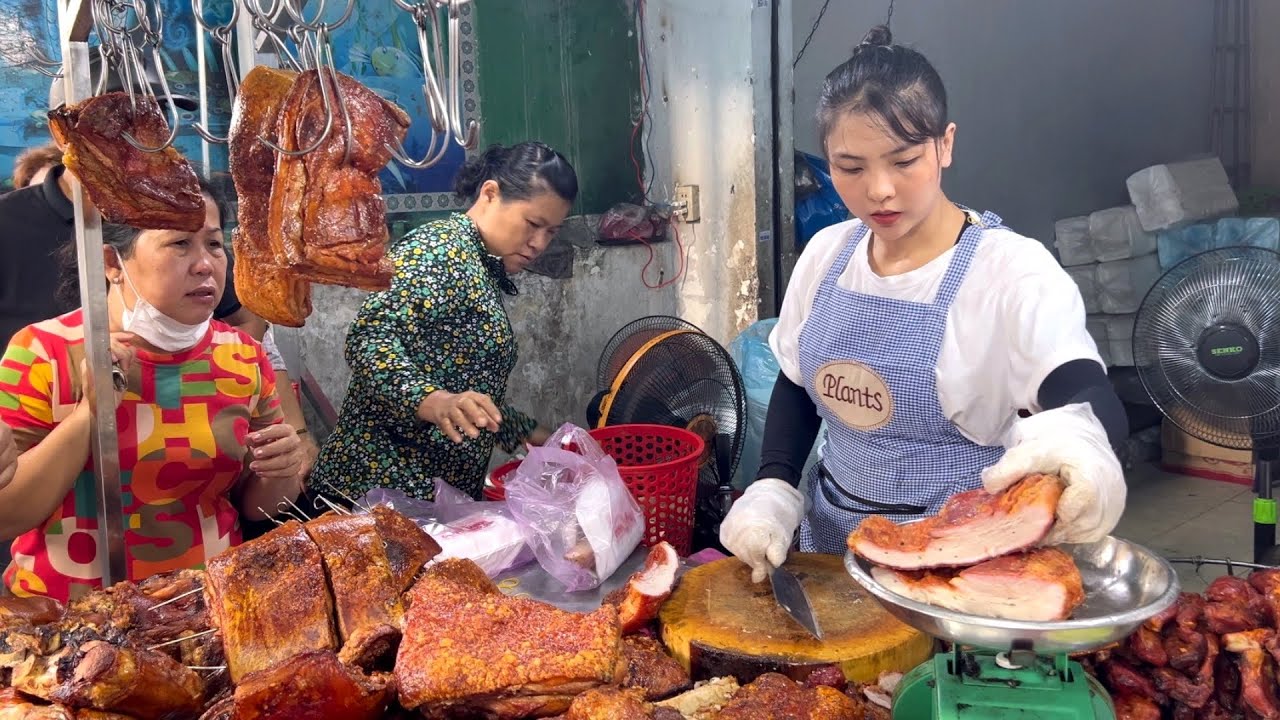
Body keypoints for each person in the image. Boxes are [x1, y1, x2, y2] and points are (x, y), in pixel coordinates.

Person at [719, 26, 1128, 581]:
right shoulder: (827, 254)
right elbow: (795, 381)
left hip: (958, 565)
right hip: (830, 552)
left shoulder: (1011, 272)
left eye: (904, 160)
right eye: (851, 167)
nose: (880, 190)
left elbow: (1082, 387)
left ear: (945, 144)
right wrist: (773, 486)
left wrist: (1082, 447)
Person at [0, 183, 307, 602]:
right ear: (112, 261)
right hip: (68, 621)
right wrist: (91, 414)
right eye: (179, 244)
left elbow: (257, 507)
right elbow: (7, 515)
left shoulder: (243, 356)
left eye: (214, 244)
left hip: (206, 612)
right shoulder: (42, 352)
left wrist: (284, 469)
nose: (205, 265)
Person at [311, 142, 576, 502]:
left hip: (429, 502)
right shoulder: (438, 250)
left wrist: (526, 431)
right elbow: (369, 338)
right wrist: (431, 401)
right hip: (377, 494)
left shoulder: (479, 266)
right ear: (490, 194)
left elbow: (461, 388)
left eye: (552, 232)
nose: (538, 243)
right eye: (533, 224)